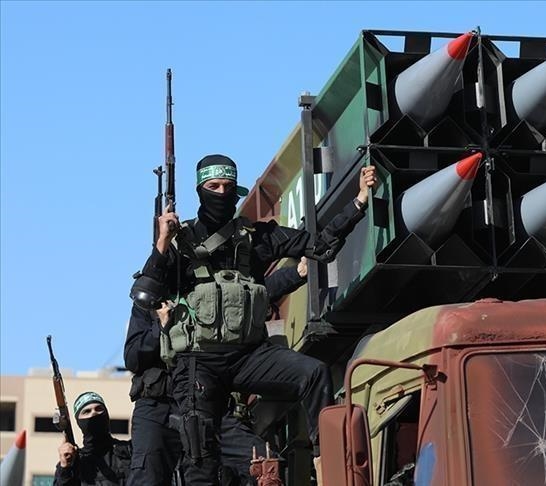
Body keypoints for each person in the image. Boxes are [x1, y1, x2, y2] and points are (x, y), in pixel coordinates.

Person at [131, 153, 375, 484]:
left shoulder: (257, 237)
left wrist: (358, 202)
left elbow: (320, 246)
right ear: (200, 190)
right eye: (213, 186)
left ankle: (331, 467)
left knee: (314, 373)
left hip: (249, 356)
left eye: (228, 187)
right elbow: (145, 291)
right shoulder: (180, 242)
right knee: (200, 454)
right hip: (198, 362)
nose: (221, 193)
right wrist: (163, 242)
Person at [125, 260, 310, 485]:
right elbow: (133, 358)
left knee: (266, 465)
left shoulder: (210, 286)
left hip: (207, 403)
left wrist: (296, 273)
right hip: (159, 407)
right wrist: (161, 326)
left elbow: (254, 293)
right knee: (147, 476)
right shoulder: (149, 300)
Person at [54, 392, 132, 485]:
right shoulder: (75, 462)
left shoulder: (129, 450)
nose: (94, 413)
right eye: (87, 411)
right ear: (79, 422)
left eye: (99, 409)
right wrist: (65, 467)